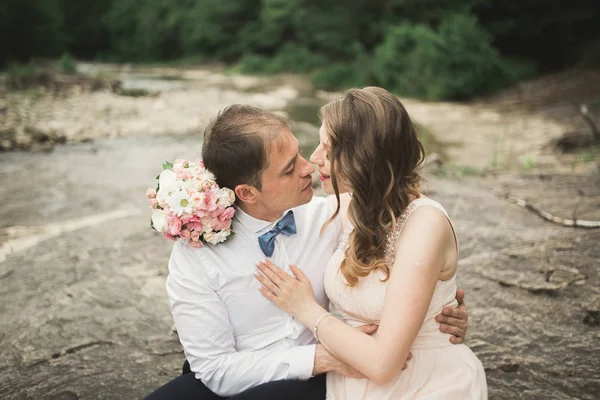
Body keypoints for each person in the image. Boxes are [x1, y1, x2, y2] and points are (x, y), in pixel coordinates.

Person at [145, 104, 470, 400]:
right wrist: (320, 358)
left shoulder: (332, 215)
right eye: (289, 169)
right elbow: (216, 370)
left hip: (319, 384)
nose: (309, 167)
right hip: (236, 374)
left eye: (301, 153)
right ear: (247, 192)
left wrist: (437, 307)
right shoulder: (198, 252)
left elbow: (404, 247)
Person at [255, 87, 487, 399]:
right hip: (351, 379)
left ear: (364, 157)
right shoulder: (347, 206)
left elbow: (382, 364)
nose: (313, 158)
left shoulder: (425, 224)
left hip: (425, 381)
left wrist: (304, 308)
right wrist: (195, 203)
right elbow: (263, 206)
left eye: (328, 148)